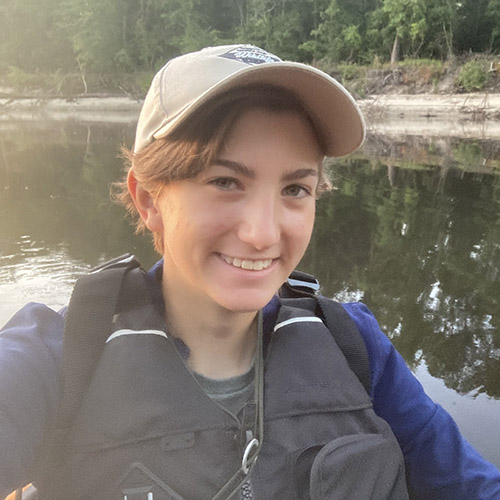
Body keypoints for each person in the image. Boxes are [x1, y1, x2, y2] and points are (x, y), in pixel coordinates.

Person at [0, 44, 499, 500]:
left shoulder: (355, 345)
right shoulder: (56, 357)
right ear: (149, 200)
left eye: (295, 189)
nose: (263, 234)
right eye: (225, 181)